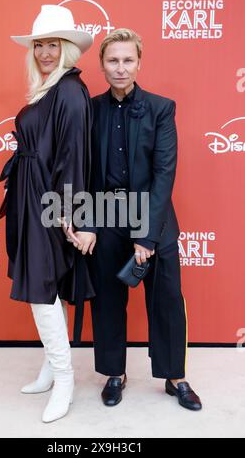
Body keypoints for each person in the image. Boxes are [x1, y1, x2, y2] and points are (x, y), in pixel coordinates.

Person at [71, 28, 202, 411]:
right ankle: (115, 373)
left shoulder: (162, 108)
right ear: (102, 64)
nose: (120, 67)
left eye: (128, 60)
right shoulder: (90, 109)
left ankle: (175, 377)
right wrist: (87, 222)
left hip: (154, 219)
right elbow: (85, 171)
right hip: (106, 217)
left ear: (139, 63)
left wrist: (145, 236)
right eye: (113, 60)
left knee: (166, 300)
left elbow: (164, 174)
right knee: (108, 300)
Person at [0, 4, 95, 423]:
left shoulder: (70, 90)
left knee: (42, 288)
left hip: (48, 200)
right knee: (44, 287)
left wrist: (70, 212)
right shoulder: (48, 87)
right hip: (31, 195)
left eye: (53, 45)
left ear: (68, 48)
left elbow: (74, 154)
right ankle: (49, 369)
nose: (45, 52)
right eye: (39, 45)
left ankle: (65, 379)